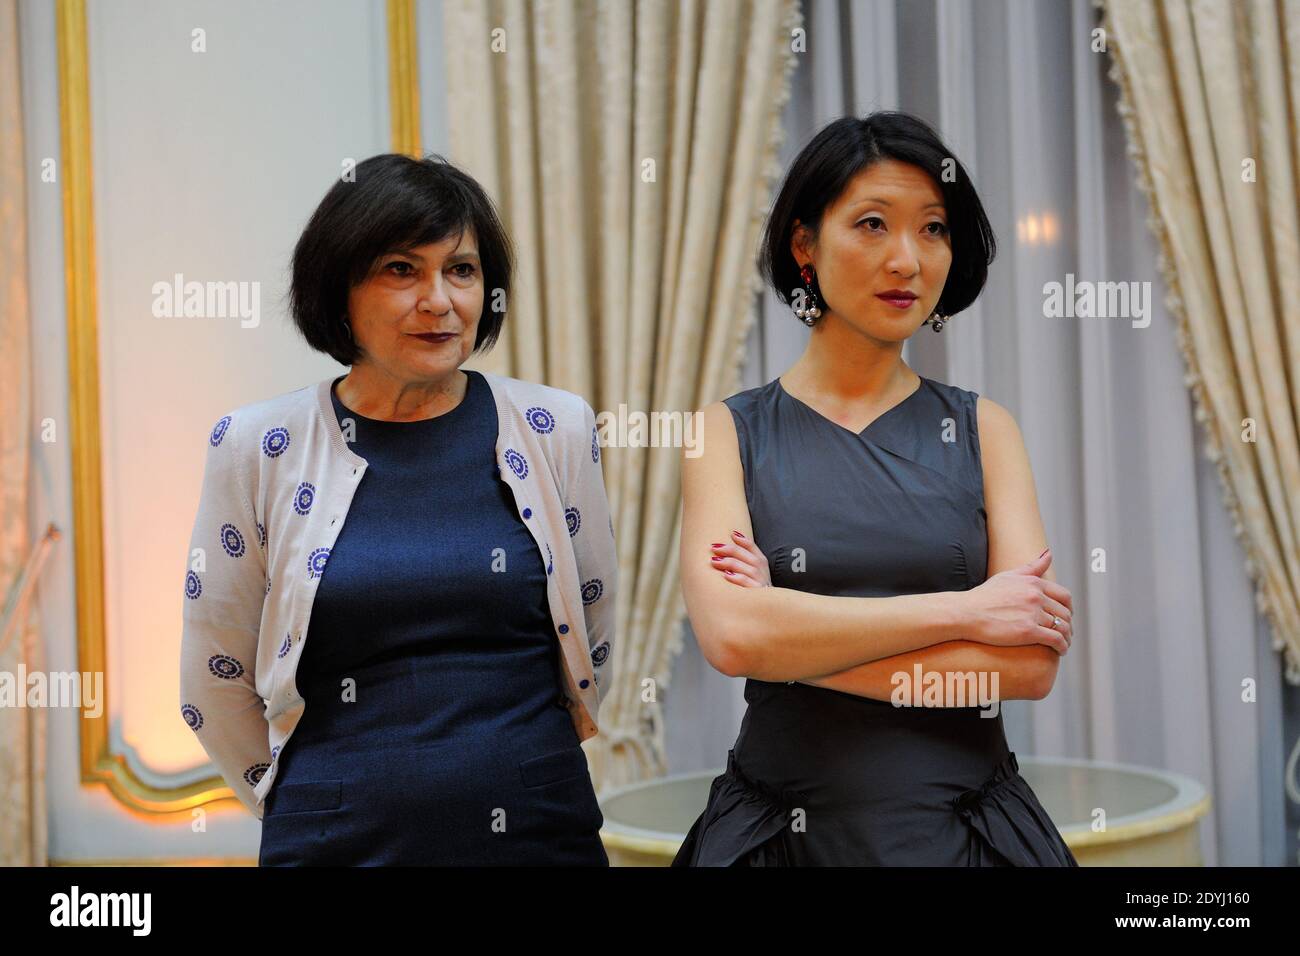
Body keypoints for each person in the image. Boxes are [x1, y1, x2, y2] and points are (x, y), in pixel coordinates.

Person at [179, 154, 616, 865]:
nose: (440, 300)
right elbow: (213, 677)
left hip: (538, 828)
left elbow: (595, 628)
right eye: (401, 270)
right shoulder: (259, 445)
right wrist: (304, 801)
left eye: (462, 270)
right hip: (333, 840)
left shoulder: (555, 429)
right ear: (338, 290)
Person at [673, 111, 1078, 866]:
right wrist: (965, 612)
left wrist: (787, 640)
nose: (908, 260)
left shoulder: (986, 428)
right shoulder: (722, 432)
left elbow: (1028, 665)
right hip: (782, 841)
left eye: (932, 229)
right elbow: (731, 636)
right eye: (871, 224)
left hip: (967, 839)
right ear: (804, 245)